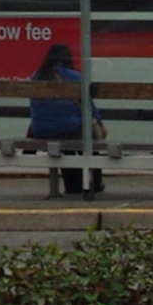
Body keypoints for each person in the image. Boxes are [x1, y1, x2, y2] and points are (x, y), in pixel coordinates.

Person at [24, 42, 104, 196]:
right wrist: (99, 122)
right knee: (87, 138)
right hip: (68, 128)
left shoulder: (36, 76)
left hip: (41, 130)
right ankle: (95, 183)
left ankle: (72, 186)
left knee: (66, 142)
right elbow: (89, 107)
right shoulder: (75, 77)